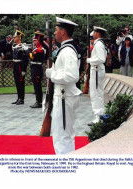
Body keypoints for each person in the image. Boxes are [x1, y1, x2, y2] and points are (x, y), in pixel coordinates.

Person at [46, 17, 82, 155]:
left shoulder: (67, 51)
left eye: (56, 30)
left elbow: (72, 76)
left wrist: (52, 74)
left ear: (63, 32)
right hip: (63, 96)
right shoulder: (66, 49)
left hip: (64, 97)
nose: (54, 33)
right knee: (65, 134)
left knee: (61, 135)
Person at [86, 26, 108, 125]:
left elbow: (101, 59)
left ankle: (98, 116)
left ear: (98, 33)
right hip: (96, 70)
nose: (93, 33)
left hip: (96, 70)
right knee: (96, 93)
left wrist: (89, 60)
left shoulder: (98, 44)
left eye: (94, 32)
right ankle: (99, 114)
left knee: (96, 93)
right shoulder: (99, 43)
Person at [29, 29, 48, 108]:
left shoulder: (40, 49)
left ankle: (39, 102)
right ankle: (38, 101)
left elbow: (32, 57)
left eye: (35, 40)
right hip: (34, 67)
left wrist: (28, 52)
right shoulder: (37, 48)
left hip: (37, 68)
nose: (34, 41)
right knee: (36, 85)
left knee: (37, 85)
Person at [11, 27, 29, 105]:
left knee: (21, 82)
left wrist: (23, 70)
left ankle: (21, 99)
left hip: (19, 66)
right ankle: (18, 97)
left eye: (14, 37)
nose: (13, 38)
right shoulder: (15, 46)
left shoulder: (22, 47)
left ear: (18, 38)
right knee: (17, 82)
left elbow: (25, 59)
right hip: (15, 65)